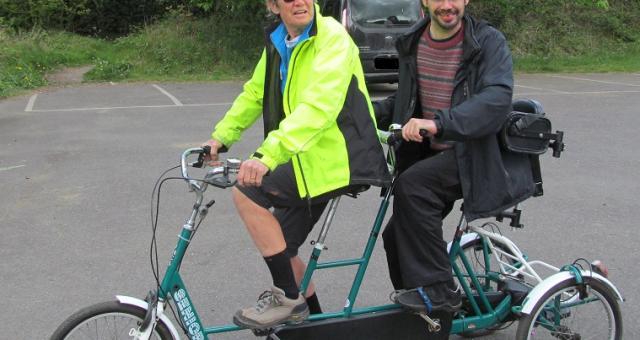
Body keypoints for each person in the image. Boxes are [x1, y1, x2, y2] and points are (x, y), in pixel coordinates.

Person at [203, 0, 391, 330]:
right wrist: (221, 138)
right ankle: (316, 327)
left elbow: (319, 107)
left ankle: (289, 300)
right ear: (274, 5)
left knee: (247, 192)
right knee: (282, 247)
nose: (299, 2)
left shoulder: (332, 37)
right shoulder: (279, 40)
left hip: (339, 157)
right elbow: (254, 93)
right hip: (305, 155)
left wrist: (267, 156)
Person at [374, 0, 535, 313]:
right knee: (395, 235)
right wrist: (366, 111)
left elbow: (496, 100)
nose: (447, 6)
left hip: (474, 154)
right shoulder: (414, 41)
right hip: (431, 156)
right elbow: (406, 98)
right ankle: (419, 304)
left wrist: (438, 123)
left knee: (413, 187)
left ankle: (438, 293)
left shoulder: (486, 41)